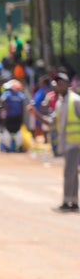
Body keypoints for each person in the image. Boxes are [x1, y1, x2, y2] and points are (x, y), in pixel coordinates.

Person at [52, 74, 79, 212]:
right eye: (57, 83)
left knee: (69, 172)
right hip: (66, 143)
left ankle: (66, 201)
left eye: (61, 83)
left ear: (68, 84)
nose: (58, 86)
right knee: (72, 173)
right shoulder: (60, 102)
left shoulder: (75, 101)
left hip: (75, 143)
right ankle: (73, 202)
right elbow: (51, 122)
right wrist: (35, 114)